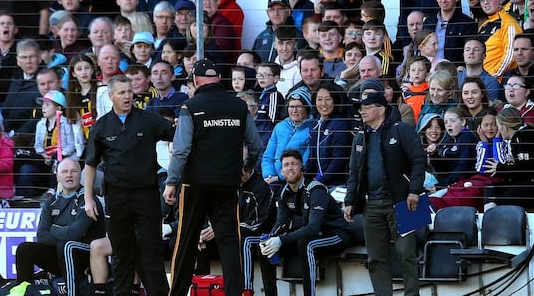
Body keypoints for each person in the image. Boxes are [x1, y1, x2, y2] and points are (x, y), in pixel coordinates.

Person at [163, 59, 261, 296]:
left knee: (185, 243)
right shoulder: (238, 107)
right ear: (219, 79)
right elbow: (256, 145)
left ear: (196, 81)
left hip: (194, 184)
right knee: (229, 244)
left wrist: (171, 182)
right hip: (228, 184)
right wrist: (246, 169)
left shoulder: (190, 107)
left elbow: (182, 149)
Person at [84, 75, 175, 296]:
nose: (127, 96)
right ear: (111, 95)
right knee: (122, 253)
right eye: (122, 92)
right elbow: (90, 164)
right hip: (116, 197)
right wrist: (88, 199)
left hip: (146, 195)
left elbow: (177, 133)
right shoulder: (101, 126)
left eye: (129, 91)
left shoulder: (148, 119)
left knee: (151, 251)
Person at [343, 90, 426, 296]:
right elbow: (354, 173)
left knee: (408, 254)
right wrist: (350, 200)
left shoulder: (403, 130)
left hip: (406, 202)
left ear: (381, 109)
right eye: (360, 108)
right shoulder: (360, 138)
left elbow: (419, 161)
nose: (362, 112)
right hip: (372, 205)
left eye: (366, 107)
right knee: (375, 258)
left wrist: (414, 191)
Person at [261, 149, 353, 296]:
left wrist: (281, 239)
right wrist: (272, 238)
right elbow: (281, 224)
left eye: (294, 164)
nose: (290, 168)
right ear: (281, 170)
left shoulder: (315, 189)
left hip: (337, 234)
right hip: (312, 235)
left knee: (306, 244)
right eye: (286, 165)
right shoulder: (285, 192)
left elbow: (313, 228)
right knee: (266, 248)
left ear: (302, 168)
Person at [15, 157, 106, 284]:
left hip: (85, 256)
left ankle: (71, 291)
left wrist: (53, 229)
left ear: (80, 175)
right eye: (64, 171)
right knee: (24, 249)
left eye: (74, 171)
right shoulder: (51, 203)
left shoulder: (88, 199)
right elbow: (41, 236)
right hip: (60, 253)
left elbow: (75, 234)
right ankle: (25, 291)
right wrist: (65, 232)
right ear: (57, 177)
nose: (69, 175)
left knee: (66, 246)